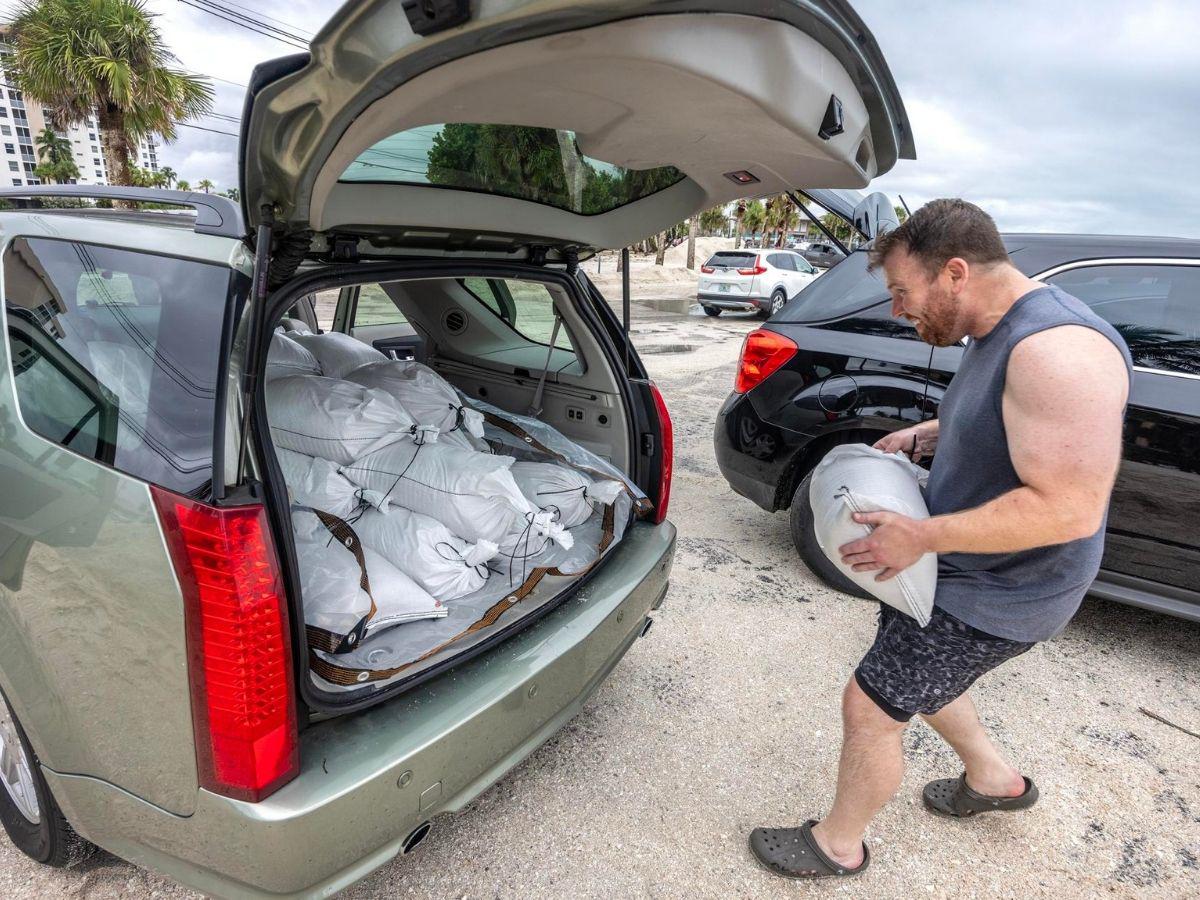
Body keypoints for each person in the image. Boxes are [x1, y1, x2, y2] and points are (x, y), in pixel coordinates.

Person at [749, 199, 1132, 879]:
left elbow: (1069, 509)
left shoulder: (1057, 351)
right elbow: (1009, 426)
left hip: (1000, 588)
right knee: (924, 677)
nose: (897, 309)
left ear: (954, 272)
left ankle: (837, 846)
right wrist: (930, 434)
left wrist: (920, 537)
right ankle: (993, 780)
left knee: (872, 704)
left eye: (902, 291)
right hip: (972, 572)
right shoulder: (999, 326)